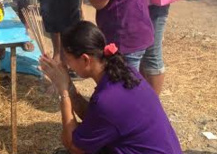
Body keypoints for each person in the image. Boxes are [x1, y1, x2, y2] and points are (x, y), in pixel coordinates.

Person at [39, 21, 183, 154]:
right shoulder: (124, 71)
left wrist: (63, 90)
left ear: (85, 59)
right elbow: (94, 116)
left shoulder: (107, 100)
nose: (67, 65)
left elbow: (74, 146)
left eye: (68, 60)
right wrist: (69, 86)